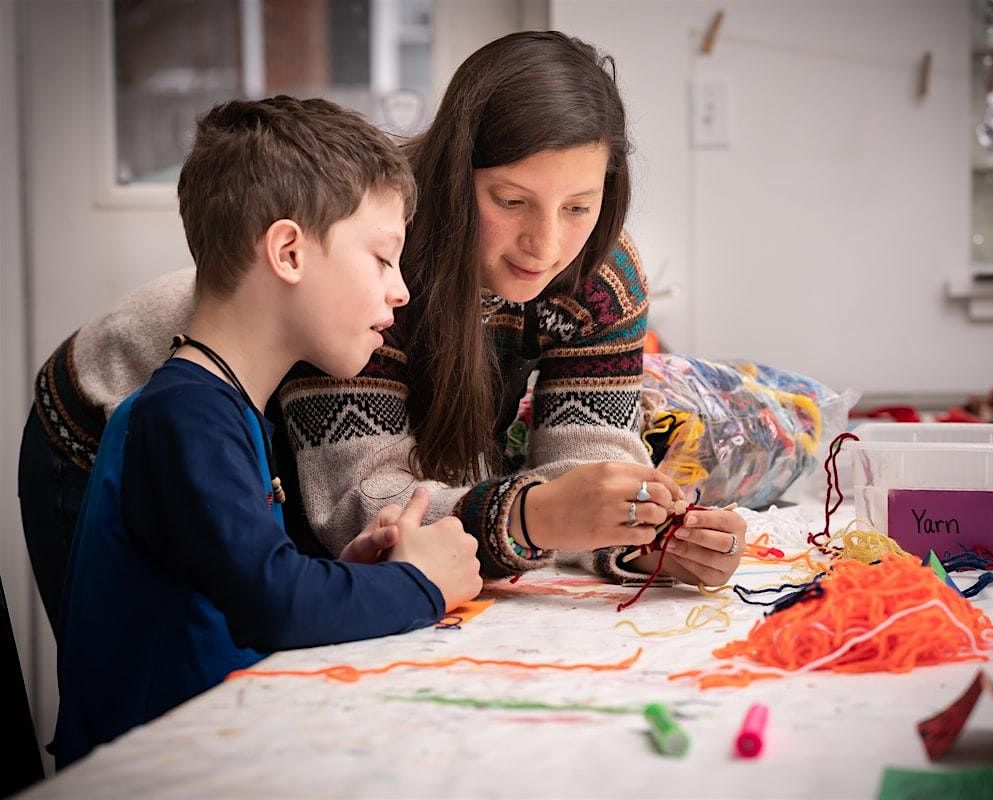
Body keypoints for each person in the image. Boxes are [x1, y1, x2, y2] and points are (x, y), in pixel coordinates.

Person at [51, 96, 482, 768]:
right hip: (156, 773)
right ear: (288, 251)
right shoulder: (185, 417)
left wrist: (347, 577)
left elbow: (231, 591)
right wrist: (422, 582)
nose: (401, 290)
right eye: (382, 258)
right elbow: (274, 607)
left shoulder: (220, 408)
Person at [277, 31, 746, 587]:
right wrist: (533, 516)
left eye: (578, 207)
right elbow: (360, 507)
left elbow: (587, 461)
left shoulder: (603, 273)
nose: (544, 246)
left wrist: (641, 536)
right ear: (455, 174)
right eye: (511, 201)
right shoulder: (373, 257)